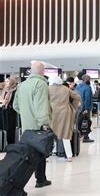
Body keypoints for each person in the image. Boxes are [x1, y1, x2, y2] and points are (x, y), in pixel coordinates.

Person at [13, 61, 52, 189]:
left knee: (28, 154)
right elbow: (41, 106)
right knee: (40, 154)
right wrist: (44, 123)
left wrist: (26, 114)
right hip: (37, 126)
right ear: (42, 71)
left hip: (26, 126)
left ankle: (35, 179)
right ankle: (40, 180)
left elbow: (16, 106)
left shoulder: (22, 85)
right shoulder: (41, 84)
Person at [48, 76, 81, 162]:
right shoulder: (65, 89)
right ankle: (69, 155)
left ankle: (50, 153)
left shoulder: (48, 89)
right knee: (65, 134)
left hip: (53, 112)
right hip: (65, 112)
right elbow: (77, 97)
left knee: (52, 133)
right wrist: (73, 107)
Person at [76, 74, 94, 143]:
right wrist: (86, 109)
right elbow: (87, 99)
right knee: (86, 121)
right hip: (84, 108)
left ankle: (79, 135)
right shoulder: (87, 87)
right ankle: (86, 137)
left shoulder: (78, 86)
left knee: (79, 122)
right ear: (87, 80)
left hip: (78, 107)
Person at [0, 77, 18, 144]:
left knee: (10, 128)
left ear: (12, 82)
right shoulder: (4, 90)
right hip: (4, 110)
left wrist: (6, 102)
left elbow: (14, 102)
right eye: (5, 81)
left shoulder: (14, 91)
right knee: (4, 127)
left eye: (7, 82)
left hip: (11, 111)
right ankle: (4, 142)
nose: (6, 83)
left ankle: (10, 143)